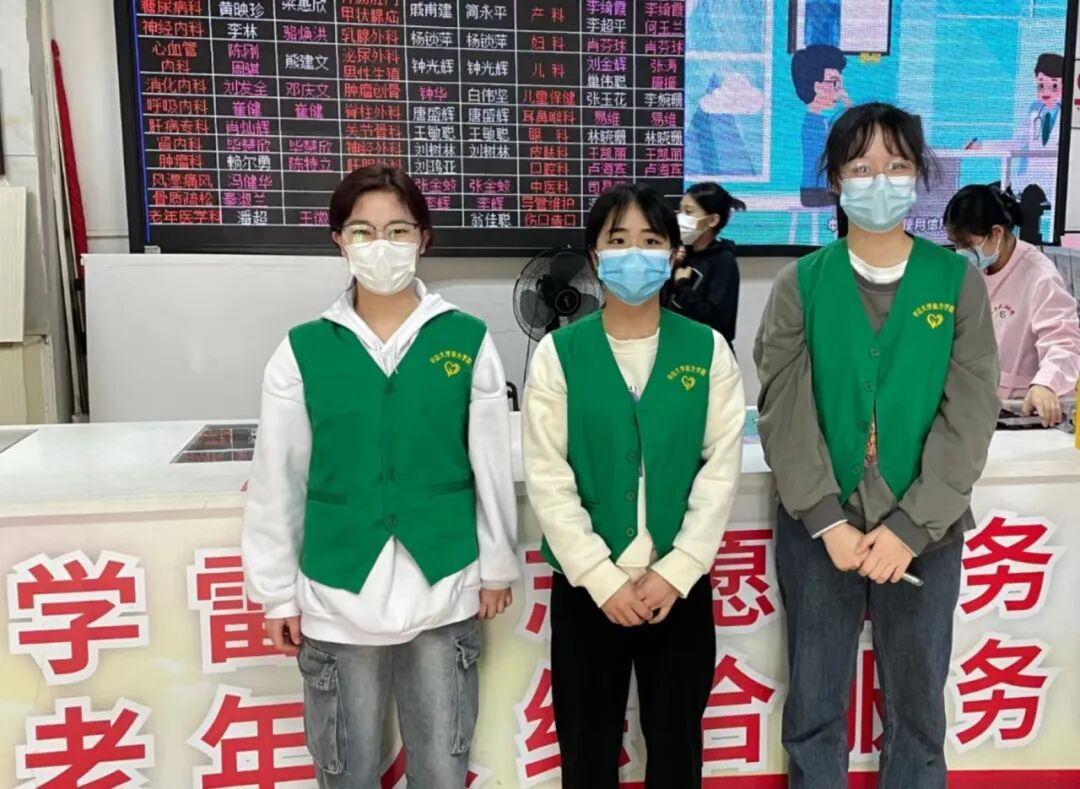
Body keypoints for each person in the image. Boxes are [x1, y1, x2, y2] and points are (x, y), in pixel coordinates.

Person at [242, 164, 519, 789]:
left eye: (397, 230)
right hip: (336, 592)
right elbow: (278, 479)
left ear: (423, 238)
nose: (380, 245)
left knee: (442, 769)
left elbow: (490, 464)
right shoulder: (301, 350)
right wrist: (277, 594)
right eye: (362, 231)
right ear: (339, 241)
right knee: (348, 770)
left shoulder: (467, 339)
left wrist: (497, 566)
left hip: (444, 583)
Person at [755, 103, 1000, 789]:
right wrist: (825, 519)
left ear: (918, 175)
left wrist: (910, 526)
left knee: (918, 713)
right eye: (861, 168)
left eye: (896, 166)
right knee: (814, 710)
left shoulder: (956, 282)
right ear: (836, 178)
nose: (879, 181)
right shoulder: (800, 284)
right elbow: (782, 409)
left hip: (927, 533)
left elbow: (970, 413)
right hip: (820, 532)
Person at [523, 183, 745, 788]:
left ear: (674, 255)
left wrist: (679, 568)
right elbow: (548, 475)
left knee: (676, 753)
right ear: (595, 257)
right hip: (587, 589)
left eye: (650, 241)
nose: (634, 255)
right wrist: (599, 575)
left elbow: (719, 468)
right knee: (587, 753)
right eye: (617, 241)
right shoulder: (559, 354)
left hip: (677, 586)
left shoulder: (707, 350)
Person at [945, 183, 1080, 426]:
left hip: (1022, 412)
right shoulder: (971, 270)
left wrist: (1045, 384)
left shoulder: (1040, 277)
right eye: (955, 243)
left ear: (997, 233)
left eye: (966, 243)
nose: (960, 251)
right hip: (976, 404)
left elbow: (1064, 343)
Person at [667, 181, 747, 348]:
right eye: (680, 211)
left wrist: (682, 285)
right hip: (675, 346)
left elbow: (717, 320)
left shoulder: (723, 260)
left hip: (707, 351)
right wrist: (668, 268)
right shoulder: (681, 254)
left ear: (712, 220)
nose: (681, 218)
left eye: (689, 212)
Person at [791, 44, 852, 207]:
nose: (840, 91)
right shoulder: (814, 124)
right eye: (834, 83)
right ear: (816, 86)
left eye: (840, 84)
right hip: (816, 192)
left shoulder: (822, 121)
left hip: (822, 189)